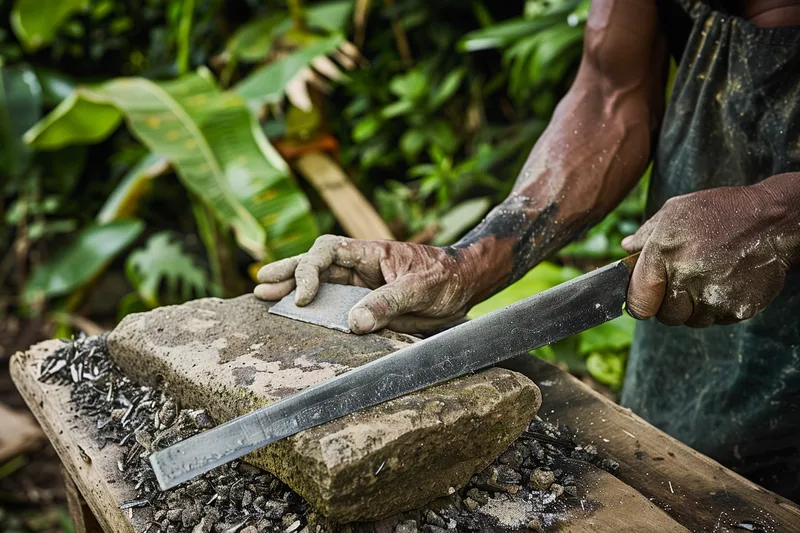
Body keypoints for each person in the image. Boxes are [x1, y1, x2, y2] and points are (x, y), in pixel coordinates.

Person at [254, 0, 800, 501]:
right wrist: (464, 265)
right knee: (675, 479)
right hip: (687, 290)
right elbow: (611, 96)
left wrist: (779, 213)